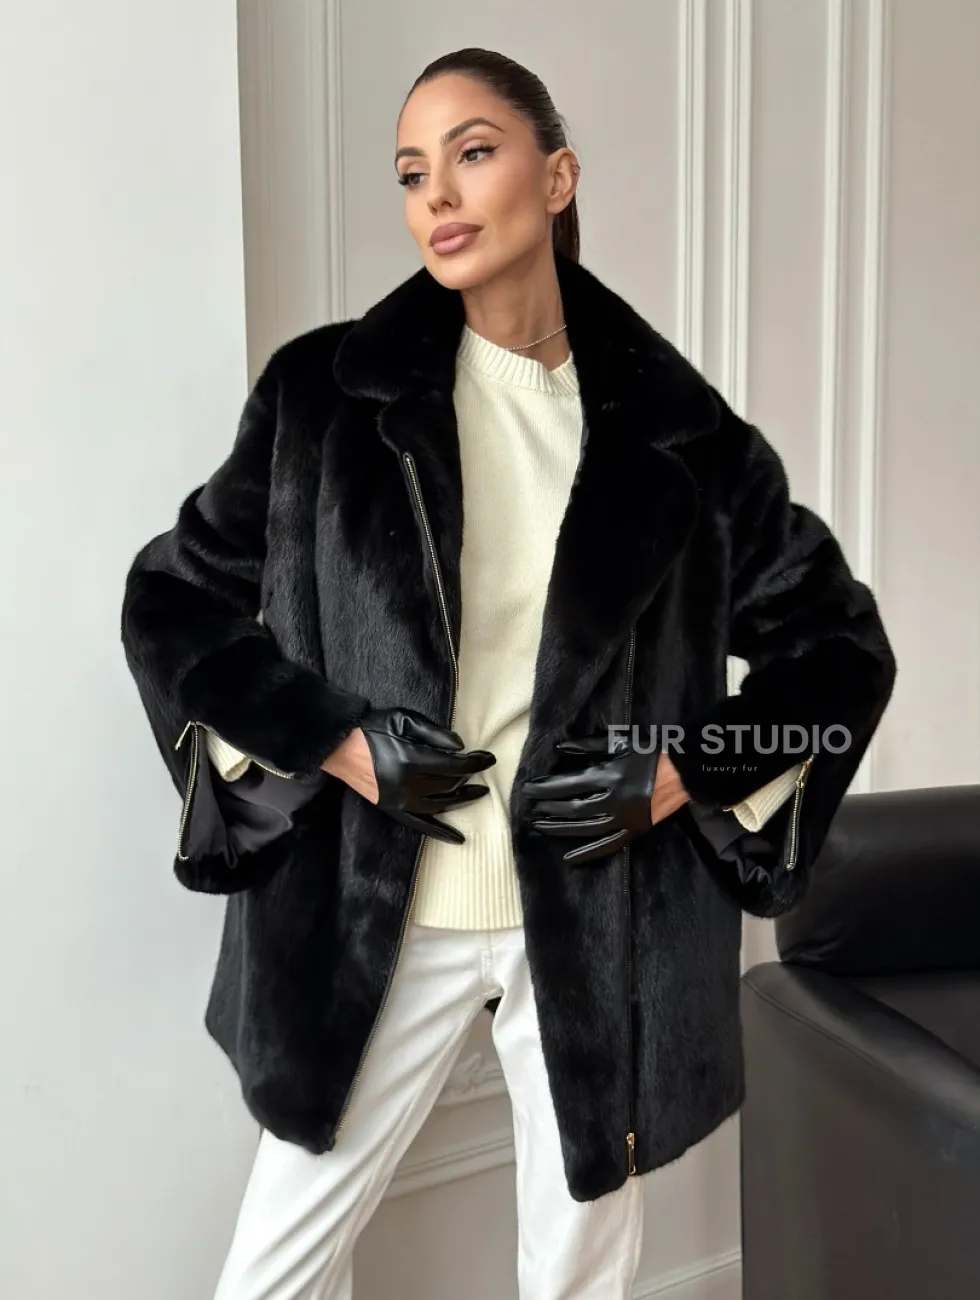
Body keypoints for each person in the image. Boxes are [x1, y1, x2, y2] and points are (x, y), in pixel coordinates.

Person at [121, 46, 896, 1300]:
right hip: (380, 906)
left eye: (472, 153)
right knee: (271, 1271)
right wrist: (340, 742)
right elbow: (171, 601)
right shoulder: (326, 399)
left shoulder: (684, 438)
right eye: (409, 172)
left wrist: (682, 771)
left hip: (599, 917)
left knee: (579, 1275)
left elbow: (838, 652)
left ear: (556, 174)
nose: (436, 194)